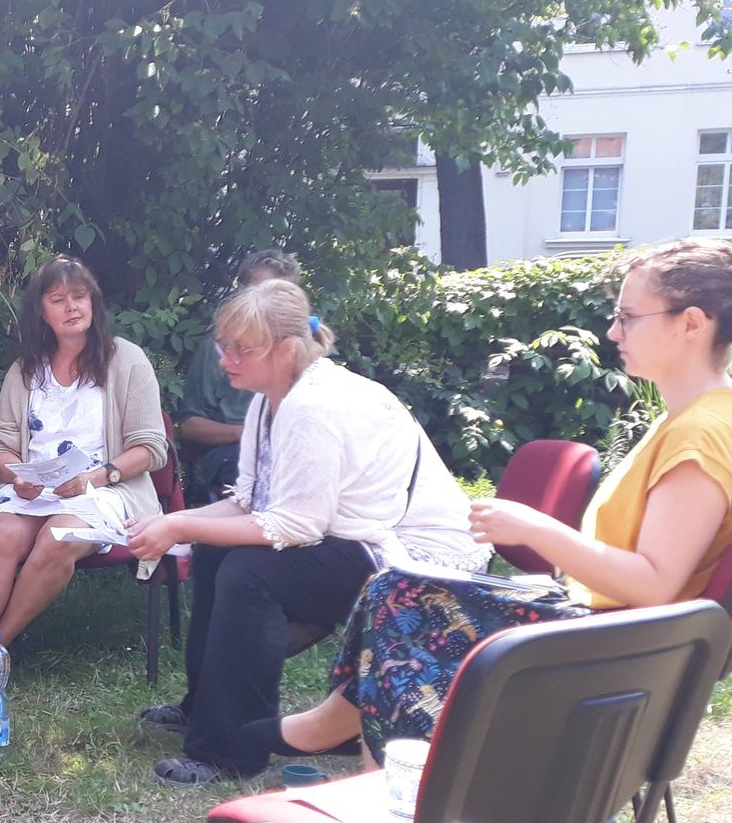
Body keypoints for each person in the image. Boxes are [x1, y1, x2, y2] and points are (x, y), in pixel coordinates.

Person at [269, 235, 732, 765]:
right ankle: (341, 732)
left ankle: (385, 774)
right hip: (607, 633)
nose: (613, 331)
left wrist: (536, 529)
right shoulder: (694, 420)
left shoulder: (700, 434)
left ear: (691, 324)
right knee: (396, 588)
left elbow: (654, 584)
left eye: (628, 317)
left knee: (401, 596)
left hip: (612, 651)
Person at [125, 279, 486, 785]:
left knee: (251, 574)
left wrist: (179, 523)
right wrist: (174, 525)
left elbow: (295, 525)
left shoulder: (314, 406)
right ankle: (205, 706)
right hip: (357, 537)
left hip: (417, 561)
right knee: (214, 552)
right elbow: (251, 501)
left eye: (242, 349)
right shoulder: (270, 397)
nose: (227, 359)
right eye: (224, 346)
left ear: (288, 350)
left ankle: (228, 751)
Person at [0, 257, 169, 646]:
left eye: (80, 296)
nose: (72, 307)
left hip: (104, 490)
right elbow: (1, 444)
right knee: (2, 535)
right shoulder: (25, 370)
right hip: (34, 492)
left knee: (58, 537)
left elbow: (150, 448)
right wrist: (16, 474)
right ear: (41, 312)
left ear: (93, 302)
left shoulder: (127, 360)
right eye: (58, 299)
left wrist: (95, 477)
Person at [176, 251, 300, 503]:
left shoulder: (303, 350)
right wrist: (251, 432)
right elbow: (188, 427)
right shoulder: (218, 348)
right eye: (260, 292)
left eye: (279, 296)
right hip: (233, 453)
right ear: (242, 294)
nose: (268, 304)